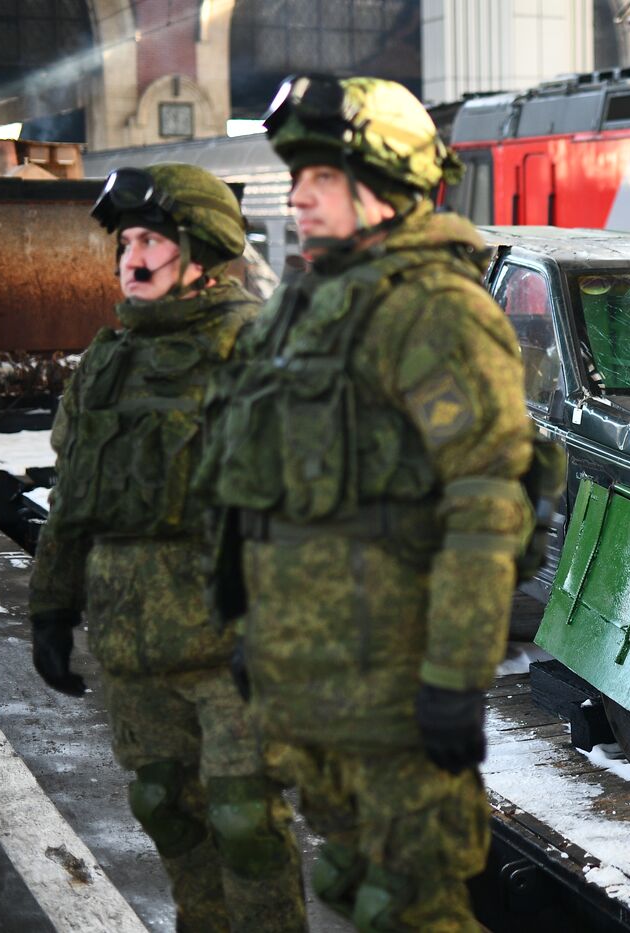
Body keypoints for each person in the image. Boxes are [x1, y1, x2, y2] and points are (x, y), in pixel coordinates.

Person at [198, 75, 532, 930]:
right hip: (305, 673)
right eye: (296, 175)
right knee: (349, 884)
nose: (297, 194)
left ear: (383, 186)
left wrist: (455, 680)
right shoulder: (302, 309)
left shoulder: (434, 311)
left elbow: (484, 503)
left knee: (409, 904)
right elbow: (256, 484)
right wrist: (248, 626)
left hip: (393, 684)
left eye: (319, 177)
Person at [27, 163, 307, 932]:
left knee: (247, 821)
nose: (132, 257)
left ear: (204, 252)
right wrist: (49, 607)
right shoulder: (109, 361)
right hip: (133, 645)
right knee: (164, 808)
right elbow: (73, 496)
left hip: (231, 650)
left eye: (152, 239)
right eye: (126, 242)